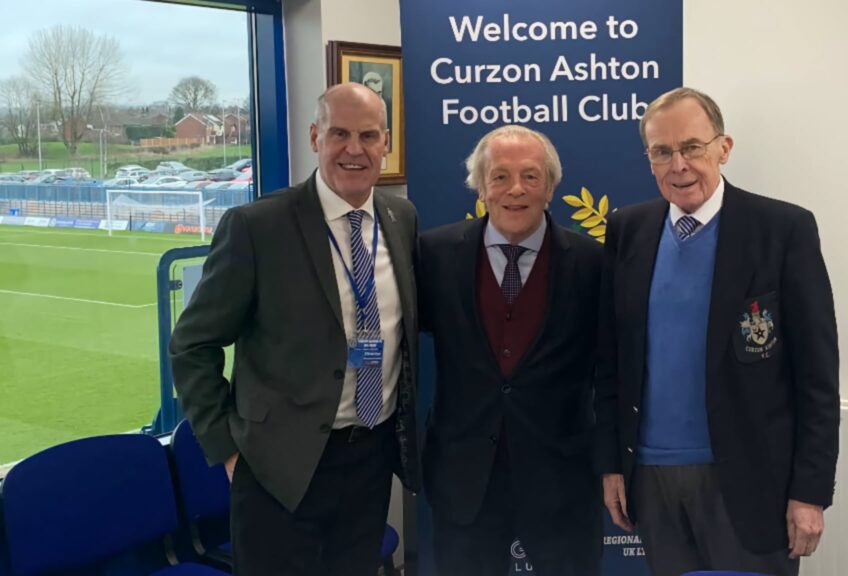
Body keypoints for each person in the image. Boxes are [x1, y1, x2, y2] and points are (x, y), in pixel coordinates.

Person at [169, 82, 419, 576]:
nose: (355, 149)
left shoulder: (400, 217)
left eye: (369, 135)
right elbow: (191, 344)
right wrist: (227, 448)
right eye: (339, 133)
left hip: (370, 457)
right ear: (314, 136)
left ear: (386, 141)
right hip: (276, 469)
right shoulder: (258, 227)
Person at [595, 87, 840, 576]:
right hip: (651, 476)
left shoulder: (782, 229)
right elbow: (611, 362)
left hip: (750, 480)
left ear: (723, 149)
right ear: (649, 159)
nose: (678, 164)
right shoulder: (628, 230)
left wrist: (810, 493)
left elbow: (817, 376)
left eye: (692, 147)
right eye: (662, 152)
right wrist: (611, 464)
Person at [418, 125, 603, 576]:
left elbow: (613, 372)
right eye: (499, 176)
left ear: (552, 187)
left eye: (530, 176)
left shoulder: (594, 263)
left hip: (562, 478)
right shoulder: (433, 254)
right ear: (480, 187)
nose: (515, 190)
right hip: (464, 478)